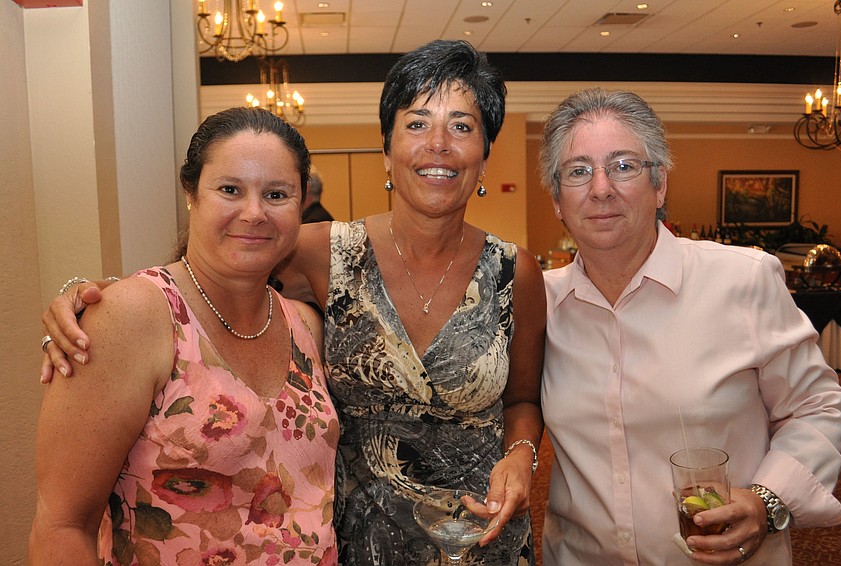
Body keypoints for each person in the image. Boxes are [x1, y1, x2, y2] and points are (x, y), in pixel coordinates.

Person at [40, 40, 546, 565]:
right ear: (387, 149)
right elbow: (211, 273)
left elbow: (524, 399)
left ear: (485, 156)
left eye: (462, 126)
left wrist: (521, 454)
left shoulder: (515, 273)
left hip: (480, 536)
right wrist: (97, 302)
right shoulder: (321, 253)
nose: (438, 143)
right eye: (417, 123)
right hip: (360, 544)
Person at [538, 88, 841, 565]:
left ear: (660, 184)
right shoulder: (540, 304)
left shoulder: (742, 280)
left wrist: (767, 499)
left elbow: (818, 406)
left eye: (623, 166)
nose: (601, 188)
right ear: (558, 200)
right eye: (578, 171)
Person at [30, 107, 339, 565]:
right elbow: (62, 527)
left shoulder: (306, 325)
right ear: (191, 193)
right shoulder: (133, 317)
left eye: (276, 194)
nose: (254, 213)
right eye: (230, 189)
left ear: (301, 204)